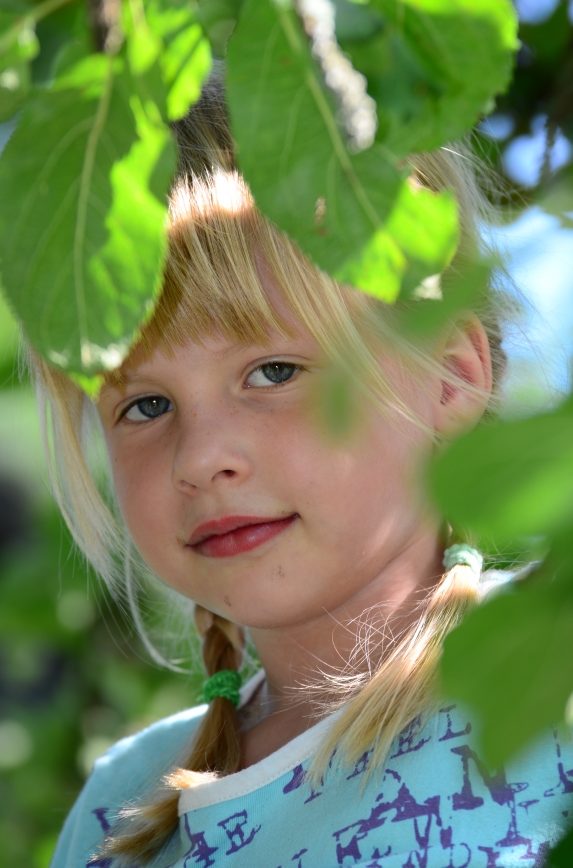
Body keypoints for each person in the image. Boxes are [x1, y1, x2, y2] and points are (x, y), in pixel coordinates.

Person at [32, 74, 573, 867]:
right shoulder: (120, 810)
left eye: (274, 372)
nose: (201, 458)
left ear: (449, 377)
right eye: (145, 406)